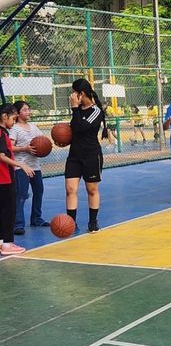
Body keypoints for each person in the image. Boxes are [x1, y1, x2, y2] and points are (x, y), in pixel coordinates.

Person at [65, 78, 107, 233]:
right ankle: (70, 222)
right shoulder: (77, 111)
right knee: (70, 189)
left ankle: (92, 222)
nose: (72, 95)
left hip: (91, 155)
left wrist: (75, 109)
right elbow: (74, 129)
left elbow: (81, 127)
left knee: (92, 190)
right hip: (74, 155)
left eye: (74, 92)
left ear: (81, 93)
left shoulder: (96, 111)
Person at [9, 100, 49, 235]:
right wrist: (24, 148)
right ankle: (18, 224)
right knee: (21, 195)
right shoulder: (14, 129)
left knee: (39, 191)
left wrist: (48, 145)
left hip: (35, 166)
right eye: (25, 110)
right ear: (18, 113)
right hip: (21, 166)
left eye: (29, 109)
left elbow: (43, 141)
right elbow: (10, 148)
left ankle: (36, 218)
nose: (28, 112)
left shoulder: (33, 126)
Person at [0, 103, 35, 255]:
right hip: (4, 178)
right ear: (4, 116)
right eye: (13, 118)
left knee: (2, 211)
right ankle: (7, 244)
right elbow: (1, 156)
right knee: (9, 211)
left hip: (3, 177)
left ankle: (2, 242)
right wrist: (21, 164)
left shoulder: (3, 132)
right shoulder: (1, 133)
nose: (14, 121)